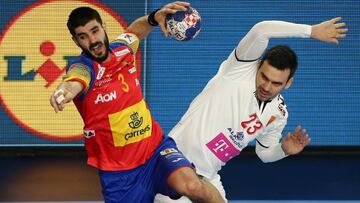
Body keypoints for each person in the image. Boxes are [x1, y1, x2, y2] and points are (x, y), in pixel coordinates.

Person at [155, 17, 348, 202]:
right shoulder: (240, 69)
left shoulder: (278, 114)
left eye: (276, 83)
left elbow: (264, 154)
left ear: (288, 83)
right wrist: (311, 31)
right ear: (258, 68)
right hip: (173, 163)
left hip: (208, 176)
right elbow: (262, 29)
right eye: (264, 77)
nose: (266, 86)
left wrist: (283, 150)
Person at [49, 2, 225, 203]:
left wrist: (153, 18)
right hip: (119, 174)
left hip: (155, 151)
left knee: (193, 186)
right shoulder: (83, 67)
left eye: (94, 31)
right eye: (83, 36)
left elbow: (135, 32)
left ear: (103, 26)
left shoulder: (122, 50)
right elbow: (75, 80)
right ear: (76, 41)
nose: (93, 40)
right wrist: (64, 91)